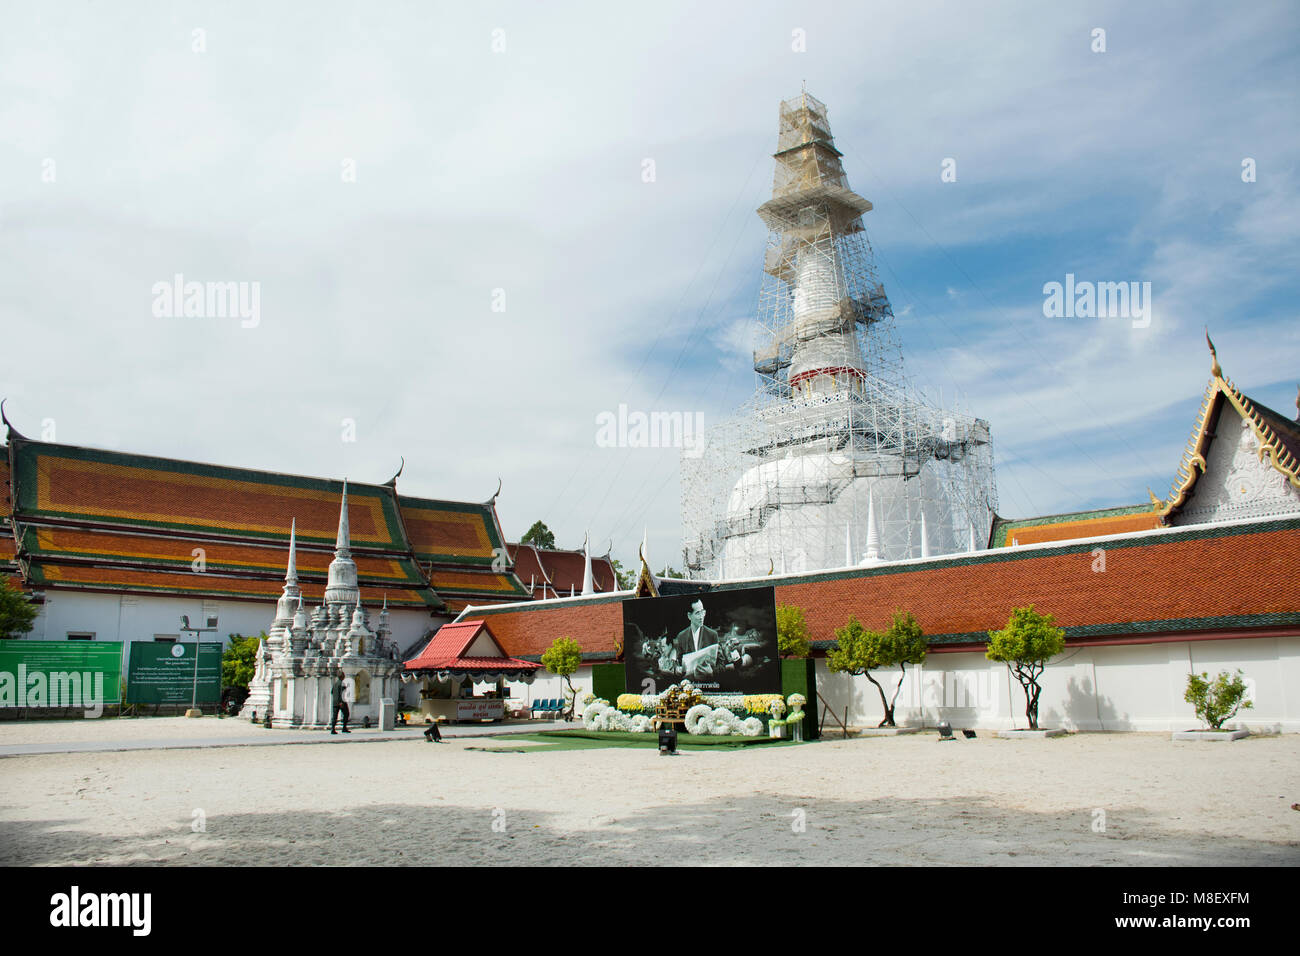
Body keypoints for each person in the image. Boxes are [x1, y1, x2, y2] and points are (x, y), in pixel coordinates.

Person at [672, 599, 719, 678]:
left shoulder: (712, 635)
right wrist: (678, 669)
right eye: (697, 613)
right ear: (689, 616)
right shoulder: (681, 636)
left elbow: (721, 665)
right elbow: (680, 663)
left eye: (702, 612)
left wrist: (712, 672)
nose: (701, 617)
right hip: (690, 684)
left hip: (709, 682)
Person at [330, 668, 350, 734]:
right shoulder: (342, 683)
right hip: (341, 702)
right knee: (346, 714)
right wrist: (341, 701)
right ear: (342, 676)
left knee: (335, 716)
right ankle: (344, 727)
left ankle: (332, 729)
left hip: (335, 702)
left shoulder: (335, 683)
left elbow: (332, 692)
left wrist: (336, 699)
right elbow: (342, 693)